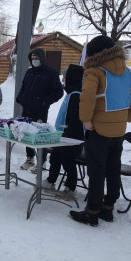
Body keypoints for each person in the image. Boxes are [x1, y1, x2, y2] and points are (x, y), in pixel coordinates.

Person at [70, 36, 131, 226]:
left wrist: (86, 120)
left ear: (95, 53)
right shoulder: (127, 71)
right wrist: (127, 117)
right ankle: (108, 208)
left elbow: (87, 98)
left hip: (99, 129)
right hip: (119, 130)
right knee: (113, 169)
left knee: (96, 170)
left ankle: (92, 211)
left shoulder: (94, 71)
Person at [41, 64, 85, 199]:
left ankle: (70, 189)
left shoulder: (76, 95)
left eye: (66, 77)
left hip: (72, 138)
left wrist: (67, 133)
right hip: (63, 136)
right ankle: (50, 181)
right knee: (55, 157)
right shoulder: (71, 94)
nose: (63, 80)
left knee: (68, 162)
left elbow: (75, 119)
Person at [16, 48, 63, 170]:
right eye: (32, 58)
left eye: (37, 58)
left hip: (40, 111)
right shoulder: (29, 72)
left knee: (39, 136)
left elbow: (58, 92)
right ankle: (29, 159)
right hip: (26, 108)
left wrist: (45, 102)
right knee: (27, 134)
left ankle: (41, 162)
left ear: (42, 58)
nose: (34, 60)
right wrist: (20, 98)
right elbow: (24, 87)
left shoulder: (50, 73)